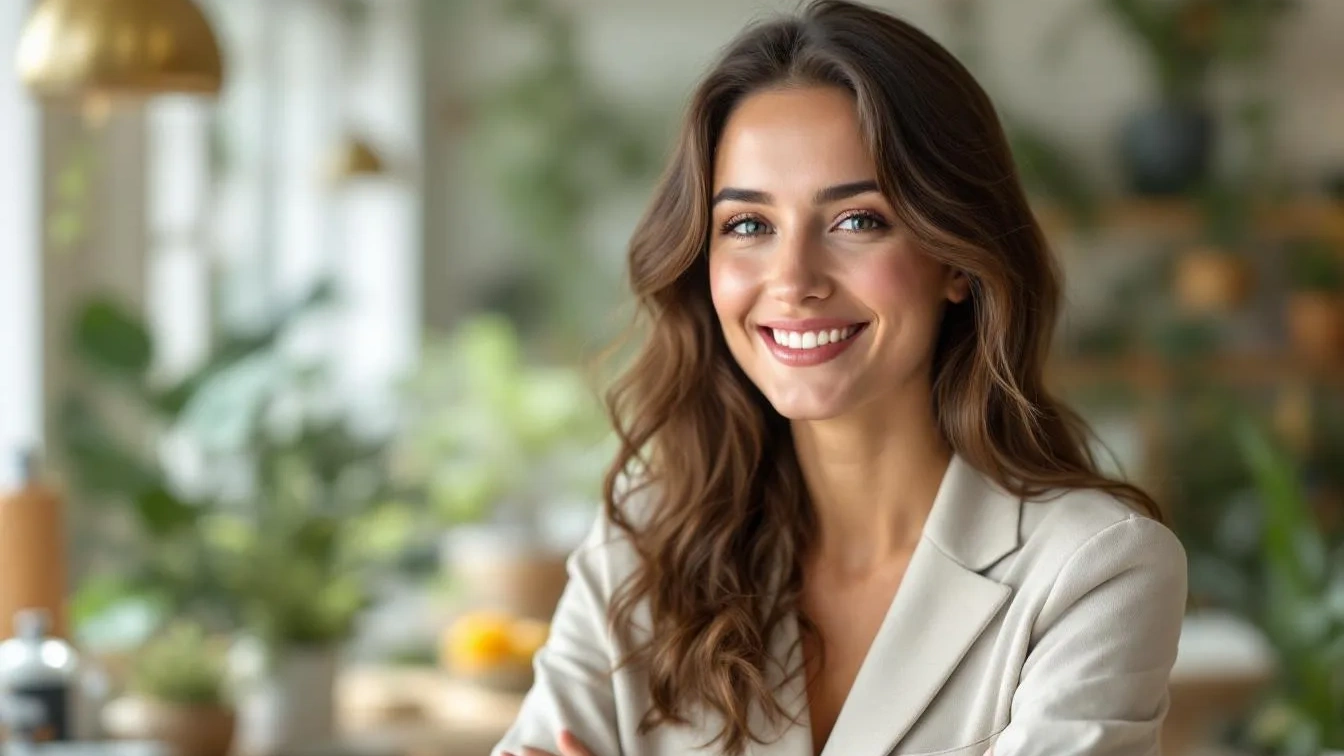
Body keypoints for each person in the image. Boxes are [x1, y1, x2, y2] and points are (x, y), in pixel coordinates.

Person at [495, 1, 1187, 754]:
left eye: (857, 220)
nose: (793, 281)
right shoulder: (641, 543)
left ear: (956, 258)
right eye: (748, 226)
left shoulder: (1096, 569)